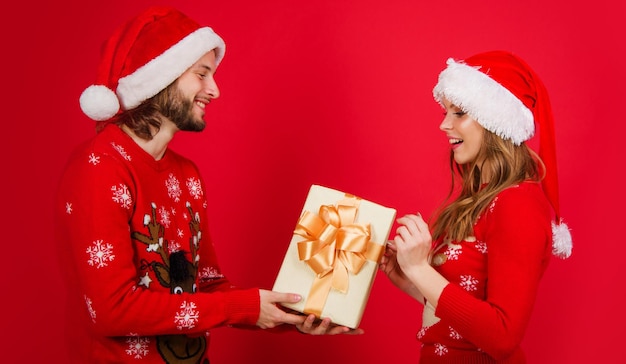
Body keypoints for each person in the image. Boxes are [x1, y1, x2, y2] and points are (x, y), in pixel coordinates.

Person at [55, 6, 356, 364]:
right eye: (202, 74)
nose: (214, 90)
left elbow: (209, 287)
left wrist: (287, 314)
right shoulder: (100, 167)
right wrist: (241, 307)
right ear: (159, 78)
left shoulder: (186, 174)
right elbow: (111, 310)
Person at [380, 51, 573, 363]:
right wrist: (411, 279)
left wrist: (420, 268)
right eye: (446, 112)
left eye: (459, 114)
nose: (444, 125)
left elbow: (501, 335)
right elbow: (466, 317)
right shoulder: (483, 197)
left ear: (494, 119)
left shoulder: (518, 202)